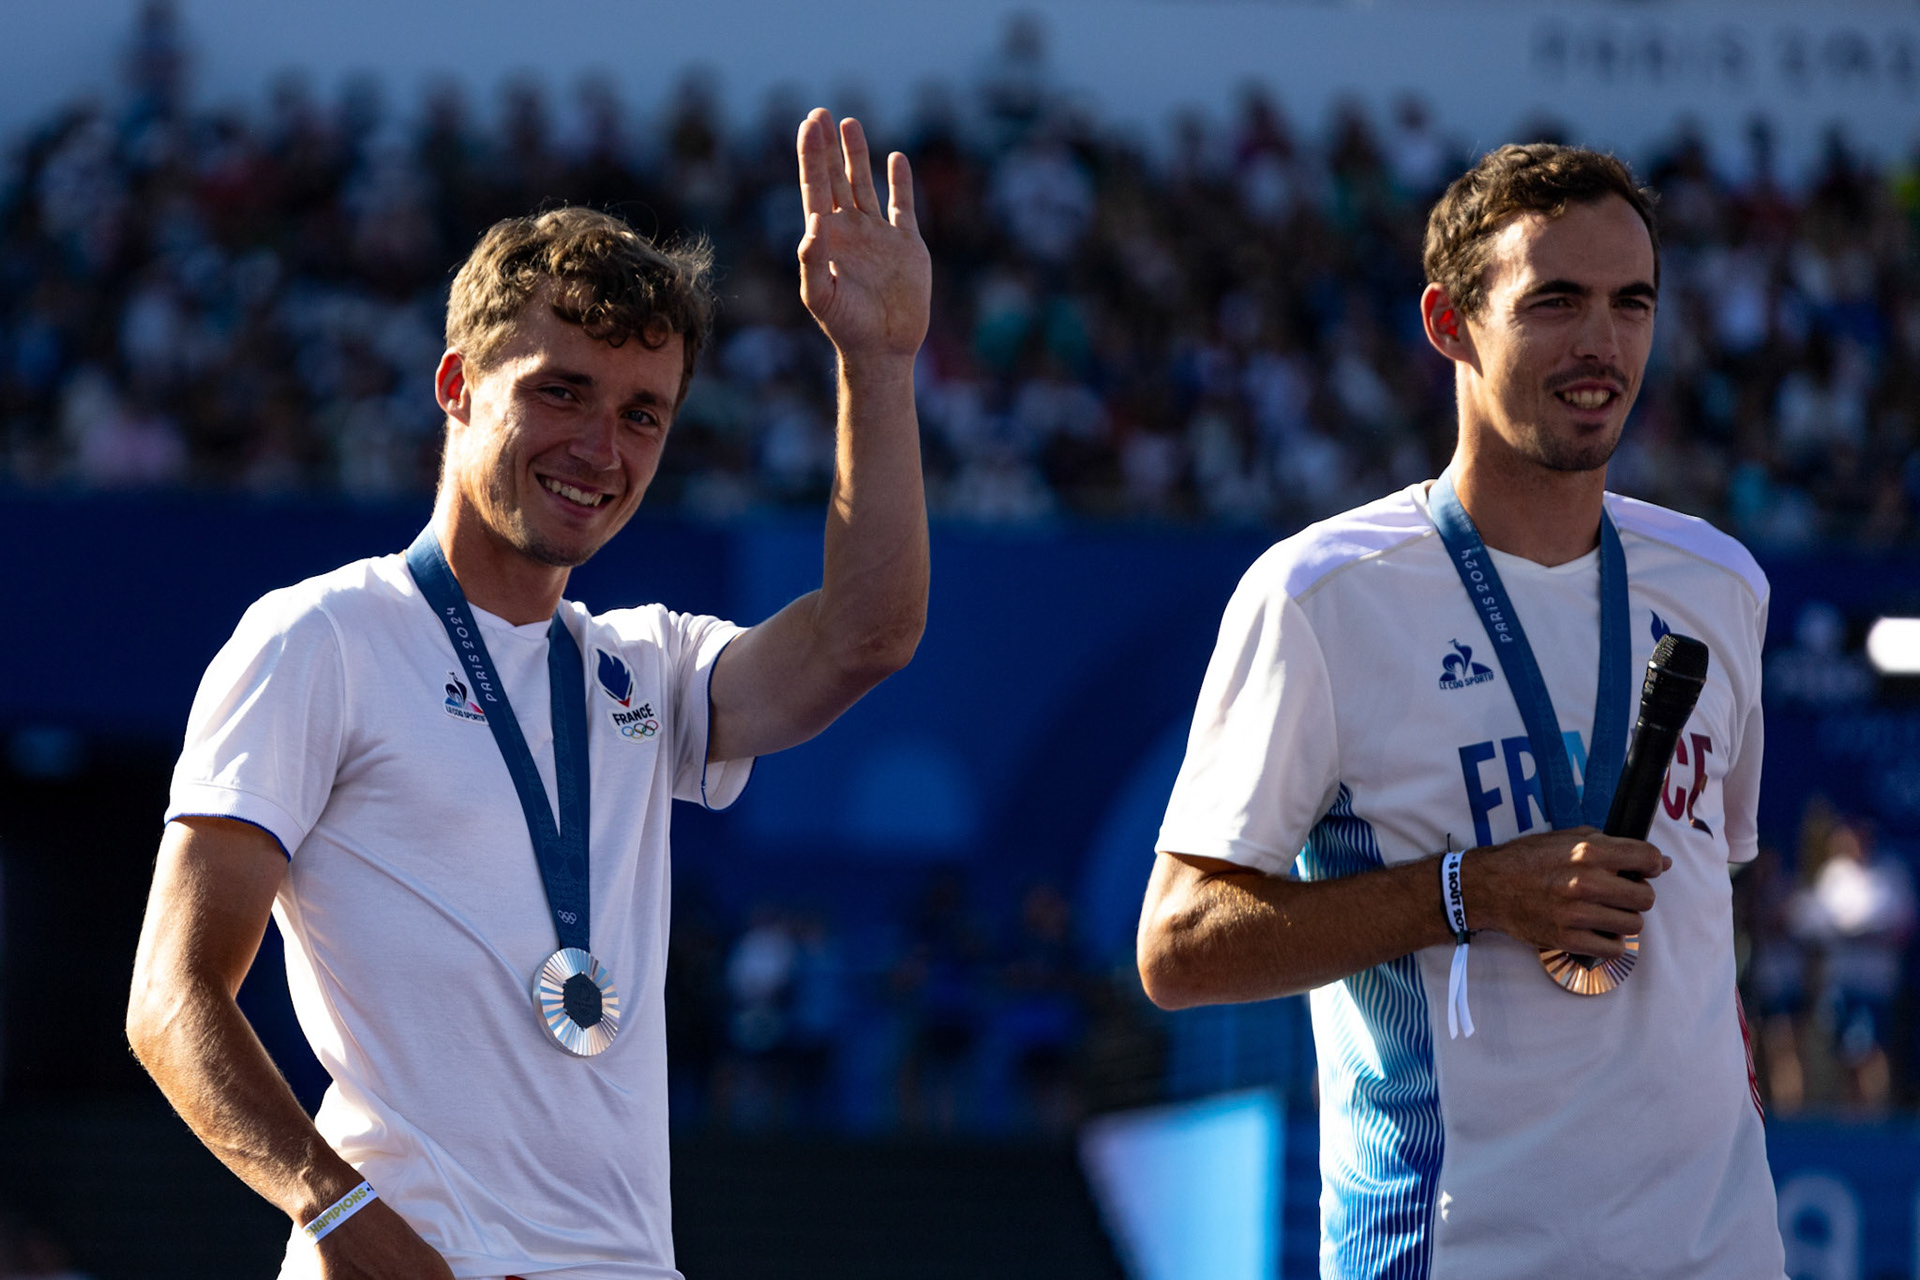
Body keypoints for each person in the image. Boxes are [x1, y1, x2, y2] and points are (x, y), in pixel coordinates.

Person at [124, 109, 930, 1279]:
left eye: (642, 413)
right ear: (456, 384)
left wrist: (879, 365)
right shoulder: (321, 639)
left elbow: (867, 635)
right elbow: (171, 995)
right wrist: (338, 1214)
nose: (602, 449)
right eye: (563, 392)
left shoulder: (645, 664)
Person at [1137, 144, 1784, 1278]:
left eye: (1632, 303)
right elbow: (1179, 946)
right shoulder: (1320, 599)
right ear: (1450, 323)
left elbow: (1709, 912)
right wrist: (1467, 892)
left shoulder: (1720, 583)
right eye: (1555, 302)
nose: (1603, 343)